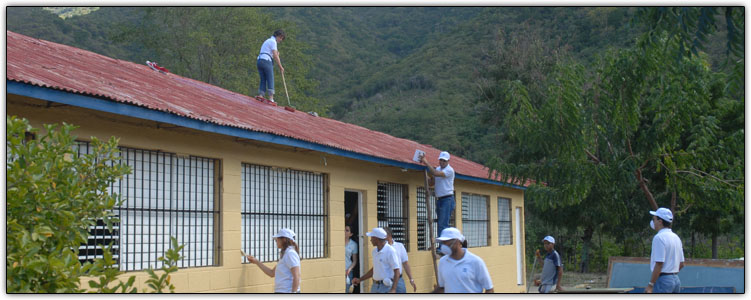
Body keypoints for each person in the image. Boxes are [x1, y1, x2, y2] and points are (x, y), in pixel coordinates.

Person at [432, 228, 494, 293]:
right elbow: (442, 287)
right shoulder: (442, 262)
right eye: (443, 243)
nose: (444, 246)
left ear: (457, 242)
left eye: (447, 242)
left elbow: (489, 289)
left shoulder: (476, 262)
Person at [419, 151, 455, 252]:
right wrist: (426, 175)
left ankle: (442, 247)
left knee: (443, 224)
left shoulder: (449, 170)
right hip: (439, 199)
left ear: (448, 161)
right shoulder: (438, 169)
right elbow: (431, 183)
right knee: (440, 224)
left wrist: (426, 162)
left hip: (447, 199)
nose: (442, 162)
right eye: (441, 160)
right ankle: (442, 246)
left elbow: (435, 173)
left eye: (444, 161)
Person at [245, 228, 301, 293]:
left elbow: (296, 276)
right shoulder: (285, 254)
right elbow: (271, 273)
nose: (276, 241)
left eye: (277, 239)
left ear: (284, 240)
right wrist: (256, 262)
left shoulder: (290, 253)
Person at [646, 207, 685, 293]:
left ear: (660, 222)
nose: (653, 222)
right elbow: (681, 264)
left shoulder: (659, 238)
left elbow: (659, 263)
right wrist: (671, 273)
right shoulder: (676, 237)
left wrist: (650, 285)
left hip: (663, 280)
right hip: (676, 280)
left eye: (654, 219)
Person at [351, 227, 400, 293]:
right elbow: (375, 269)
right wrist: (360, 279)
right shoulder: (374, 251)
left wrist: (393, 289)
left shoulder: (391, 251)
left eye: (372, 237)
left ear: (376, 239)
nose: (370, 240)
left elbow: (397, 271)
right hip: (375, 286)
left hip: (386, 288)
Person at [256, 29, 286, 103]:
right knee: (270, 78)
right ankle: (271, 98)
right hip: (266, 60)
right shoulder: (273, 42)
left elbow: (271, 53)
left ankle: (261, 95)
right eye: (281, 38)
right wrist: (280, 66)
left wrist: (275, 55)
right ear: (278, 36)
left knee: (263, 78)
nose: (281, 40)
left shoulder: (268, 40)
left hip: (260, 60)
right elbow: (275, 55)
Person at [384, 227, 417, 293]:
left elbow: (405, 263)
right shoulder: (382, 247)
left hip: (399, 280)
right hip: (386, 281)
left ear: (389, 235)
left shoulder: (400, 246)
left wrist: (411, 279)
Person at [345, 225, 359, 293]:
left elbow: (355, 261)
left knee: (347, 291)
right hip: (337, 270)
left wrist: (349, 269)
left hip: (347, 271)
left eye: (347, 230)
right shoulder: (336, 242)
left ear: (351, 234)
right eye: (343, 229)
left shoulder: (353, 244)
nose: (344, 231)